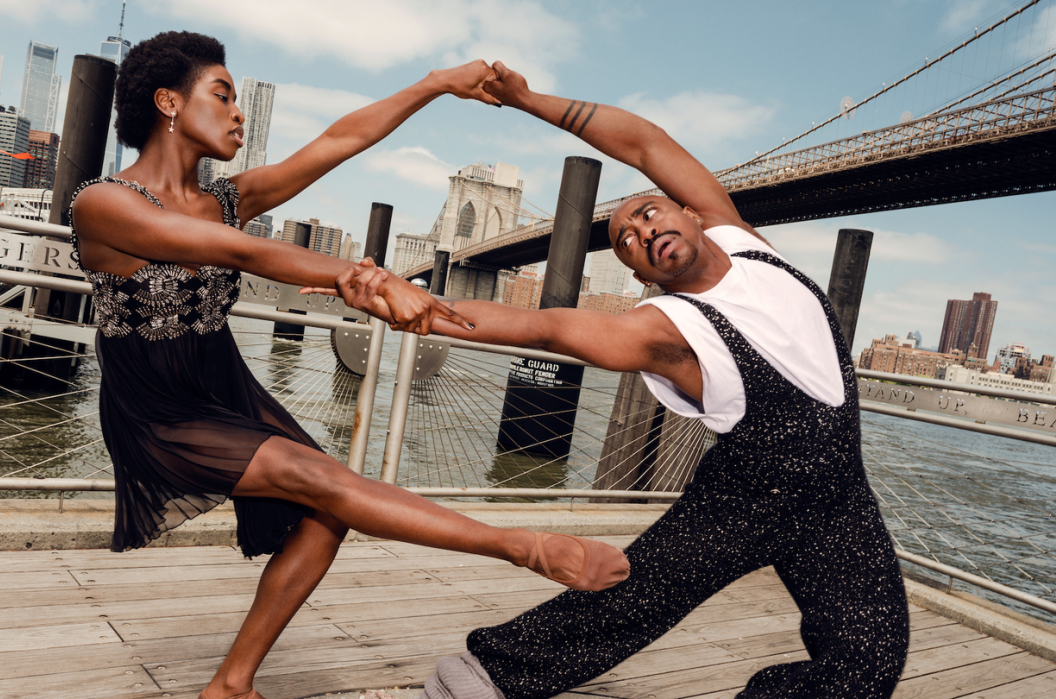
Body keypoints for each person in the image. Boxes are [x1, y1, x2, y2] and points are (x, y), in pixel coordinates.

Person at [68, 34, 631, 699]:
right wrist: (365, 278)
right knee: (320, 478)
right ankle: (524, 547)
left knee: (325, 509)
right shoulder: (101, 203)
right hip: (156, 405)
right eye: (223, 95)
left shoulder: (225, 197)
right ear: (168, 102)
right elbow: (241, 254)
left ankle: (232, 684)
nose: (239, 112)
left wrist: (434, 84)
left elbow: (339, 142)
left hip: (223, 383)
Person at [331, 61, 910, 699]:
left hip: (839, 499)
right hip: (746, 500)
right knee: (629, 604)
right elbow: (540, 328)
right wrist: (405, 304)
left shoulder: (744, 241)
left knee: (869, 660)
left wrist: (527, 101)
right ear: (640, 277)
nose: (643, 231)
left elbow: (643, 143)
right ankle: (482, 677)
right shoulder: (664, 327)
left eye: (648, 213)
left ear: (691, 213)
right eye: (627, 241)